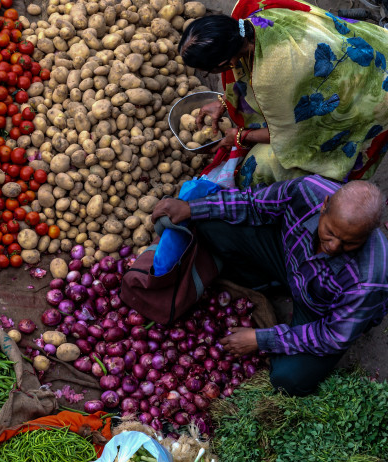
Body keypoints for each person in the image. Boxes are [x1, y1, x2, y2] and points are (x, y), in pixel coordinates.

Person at [152, 176, 388, 396]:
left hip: (319, 310)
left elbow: (331, 335)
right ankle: (264, 283)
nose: (334, 246)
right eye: (330, 233)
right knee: (208, 221)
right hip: (289, 262)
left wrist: (260, 338)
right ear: (324, 206)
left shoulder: (369, 278)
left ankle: (273, 292)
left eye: (350, 243)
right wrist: (191, 208)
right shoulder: (306, 191)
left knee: (287, 380)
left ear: (368, 235)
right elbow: (252, 203)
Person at [179, 0, 388, 189]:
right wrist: (225, 103)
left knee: (260, 168)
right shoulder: (251, 13)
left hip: (373, 88)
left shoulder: (273, 77)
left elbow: (291, 137)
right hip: (370, 44)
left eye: (210, 71)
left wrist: (241, 137)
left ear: (225, 64)